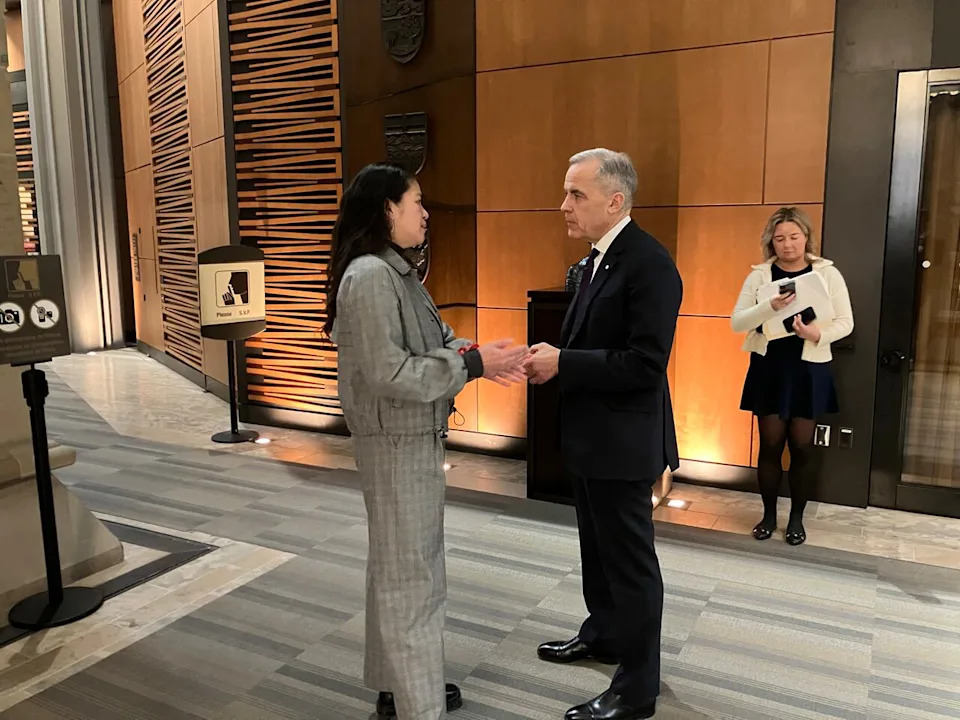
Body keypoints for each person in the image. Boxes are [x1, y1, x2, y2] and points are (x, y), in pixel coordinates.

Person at [325, 163, 528, 719]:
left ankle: (398, 687)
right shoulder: (369, 276)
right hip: (395, 444)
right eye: (417, 201)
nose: (425, 212)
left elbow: (438, 341)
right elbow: (391, 375)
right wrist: (474, 363)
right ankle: (419, 705)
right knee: (411, 578)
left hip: (410, 441)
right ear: (387, 209)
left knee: (400, 568)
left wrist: (478, 357)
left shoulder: (394, 272)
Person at [524, 149, 682, 720]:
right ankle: (606, 634)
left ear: (614, 201)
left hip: (624, 444)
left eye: (576, 195)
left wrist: (565, 362)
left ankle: (637, 688)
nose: (563, 205)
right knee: (598, 552)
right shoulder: (598, 261)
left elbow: (644, 365)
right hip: (593, 439)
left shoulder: (650, 264)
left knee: (632, 565)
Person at [731, 206, 853, 546]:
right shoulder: (759, 275)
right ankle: (769, 515)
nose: (787, 245)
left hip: (809, 367)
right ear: (771, 241)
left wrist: (817, 334)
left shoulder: (827, 273)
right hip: (770, 367)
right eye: (780, 238)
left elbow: (846, 322)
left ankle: (796, 519)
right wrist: (770, 307)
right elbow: (737, 322)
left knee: (801, 448)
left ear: (806, 238)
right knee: (770, 445)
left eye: (794, 237)